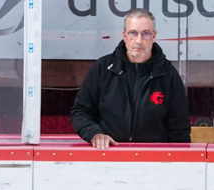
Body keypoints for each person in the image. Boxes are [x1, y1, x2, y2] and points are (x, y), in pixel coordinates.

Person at [71, 9, 191, 149]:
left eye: (145, 33)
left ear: (154, 36)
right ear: (124, 35)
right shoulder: (103, 68)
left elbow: (179, 127)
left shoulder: (168, 74)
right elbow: (80, 112)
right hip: (107, 154)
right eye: (133, 33)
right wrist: (95, 134)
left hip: (154, 159)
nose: (139, 40)